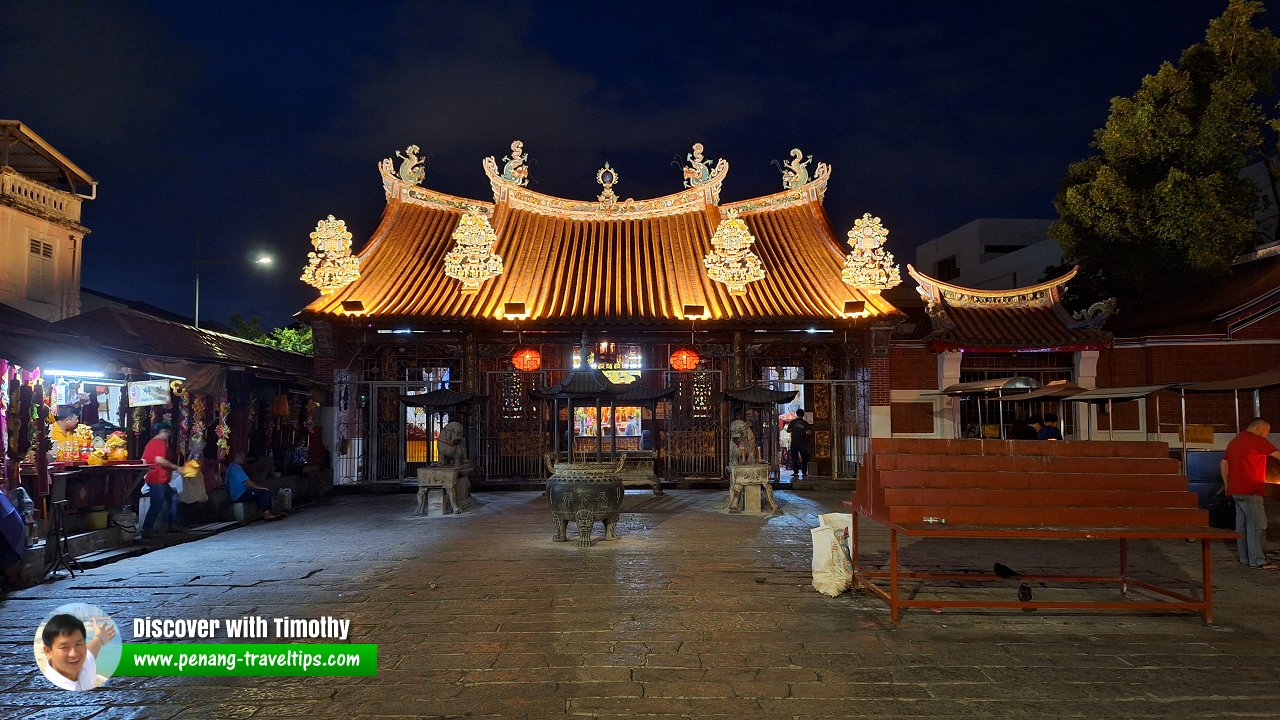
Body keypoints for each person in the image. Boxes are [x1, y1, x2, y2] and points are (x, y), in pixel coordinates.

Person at [1221, 417, 1280, 570]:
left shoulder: (1234, 441)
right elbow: (1277, 455)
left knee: (1242, 526)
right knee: (1256, 525)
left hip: (1235, 490)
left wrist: (1227, 485)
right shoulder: (1257, 440)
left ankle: (1244, 557)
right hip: (1251, 490)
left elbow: (1224, 463)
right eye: (1266, 431)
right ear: (1259, 428)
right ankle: (1257, 560)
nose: (1267, 435)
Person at [39, 613, 116, 691]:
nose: (74, 654)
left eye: (78, 644)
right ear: (48, 652)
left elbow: (91, 651)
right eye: (64, 647)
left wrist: (100, 637)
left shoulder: (83, 665)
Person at [138, 422, 180, 538]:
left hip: (157, 478)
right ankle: (146, 529)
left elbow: (144, 460)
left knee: (172, 497)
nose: (168, 435)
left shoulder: (150, 443)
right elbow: (160, 460)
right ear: (162, 432)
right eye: (167, 432)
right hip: (157, 479)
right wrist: (176, 467)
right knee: (157, 503)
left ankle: (173, 524)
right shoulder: (159, 443)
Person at [226, 451, 284, 520]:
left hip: (235, 495)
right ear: (238, 458)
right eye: (243, 458)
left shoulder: (231, 467)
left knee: (258, 492)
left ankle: (270, 512)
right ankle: (267, 515)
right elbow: (247, 481)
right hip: (239, 495)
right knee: (264, 493)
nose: (245, 460)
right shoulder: (236, 467)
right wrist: (261, 488)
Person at [787, 409, 813, 479]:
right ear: (803, 415)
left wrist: (794, 430)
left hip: (794, 442)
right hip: (803, 442)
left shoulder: (792, 422)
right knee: (804, 457)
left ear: (796, 414)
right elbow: (809, 432)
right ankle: (804, 472)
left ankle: (796, 472)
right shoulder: (805, 423)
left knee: (794, 457)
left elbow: (788, 430)